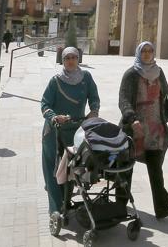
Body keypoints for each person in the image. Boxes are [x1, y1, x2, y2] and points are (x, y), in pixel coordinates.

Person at [118, 41, 168, 221]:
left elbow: (167, 94)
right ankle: (119, 205)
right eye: (143, 51)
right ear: (138, 53)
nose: (146, 54)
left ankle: (162, 208)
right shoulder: (131, 74)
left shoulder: (159, 72)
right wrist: (132, 118)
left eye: (149, 51)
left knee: (155, 168)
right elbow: (123, 100)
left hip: (155, 128)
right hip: (134, 129)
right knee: (126, 168)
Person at [40, 48, 101, 219]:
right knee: (54, 169)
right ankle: (55, 209)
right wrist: (54, 117)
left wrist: (94, 110)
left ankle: (65, 202)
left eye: (74, 57)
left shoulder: (86, 77)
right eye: (67, 58)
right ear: (62, 60)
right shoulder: (56, 81)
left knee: (71, 169)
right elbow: (45, 105)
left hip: (75, 130)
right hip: (54, 132)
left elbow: (94, 97)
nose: (71, 61)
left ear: (79, 58)